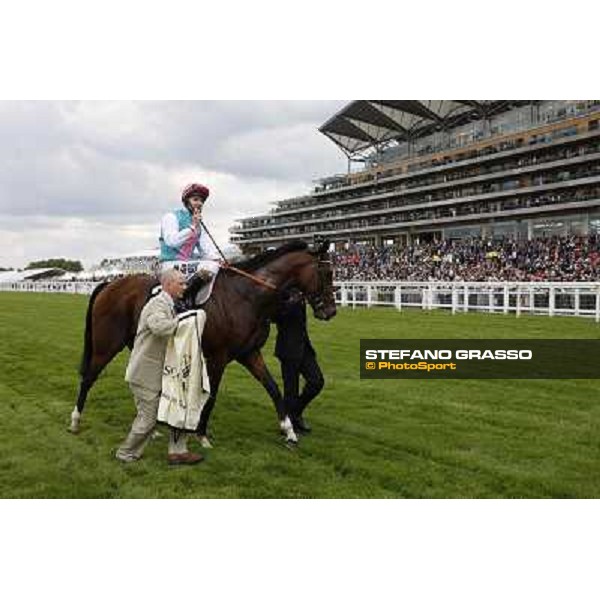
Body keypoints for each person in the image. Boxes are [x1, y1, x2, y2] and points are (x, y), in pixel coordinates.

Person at [116, 269, 203, 466]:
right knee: (148, 419)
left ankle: (178, 451)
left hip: (158, 374)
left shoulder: (168, 303)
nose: (185, 287)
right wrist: (185, 320)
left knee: (176, 408)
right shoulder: (157, 304)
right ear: (168, 284)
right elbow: (158, 327)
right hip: (145, 375)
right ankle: (125, 453)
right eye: (181, 283)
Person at [273, 288, 325, 434]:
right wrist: (292, 303)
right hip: (288, 349)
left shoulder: (302, 291)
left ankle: (294, 413)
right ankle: (290, 423)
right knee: (291, 390)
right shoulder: (282, 290)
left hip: (304, 347)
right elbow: (274, 316)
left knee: (317, 382)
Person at [159, 183, 220, 280]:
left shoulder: (199, 225)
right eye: (195, 199)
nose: (199, 203)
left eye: (201, 201)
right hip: (169, 264)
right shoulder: (171, 217)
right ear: (187, 202)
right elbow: (172, 241)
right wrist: (192, 227)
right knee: (211, 266)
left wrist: (218, 259)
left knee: (216, 266)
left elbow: (206, 250)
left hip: (187, 263)